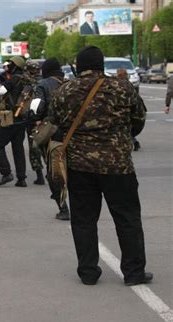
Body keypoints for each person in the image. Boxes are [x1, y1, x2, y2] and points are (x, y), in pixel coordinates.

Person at [49, 46, 151, 286]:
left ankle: (88, 272)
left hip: (80, 166)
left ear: (79, 66)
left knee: (84, 220)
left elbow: (55, 123)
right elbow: (138, 120)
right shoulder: (122, 87)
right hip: (118, 166)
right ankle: (134, 273)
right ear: (102, 65)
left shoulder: (65, 90)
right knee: (127, 218)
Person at [32, 58, 69, 220]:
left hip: (52, 134)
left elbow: (36, 108)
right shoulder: (70, 83)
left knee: (53, 170)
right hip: (72, 133)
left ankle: (63, 208)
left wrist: (35, 118)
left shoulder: (42, 85)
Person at [0, 56, 31, 187]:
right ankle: (21, 178)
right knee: (18, 147)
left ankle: (6, 173)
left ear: (15, 66)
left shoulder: (14, 78)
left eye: (11, 64)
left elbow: (1, 91)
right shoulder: (27, 79)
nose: (8, 66)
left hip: (11, 117)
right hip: (23, 118)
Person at [25, 60, 44, 185]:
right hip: (45, 118)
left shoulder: (28, 83)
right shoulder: (45, 81)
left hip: (32, 118)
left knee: (34, 148)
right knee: (46, 146)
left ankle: (39, 175)